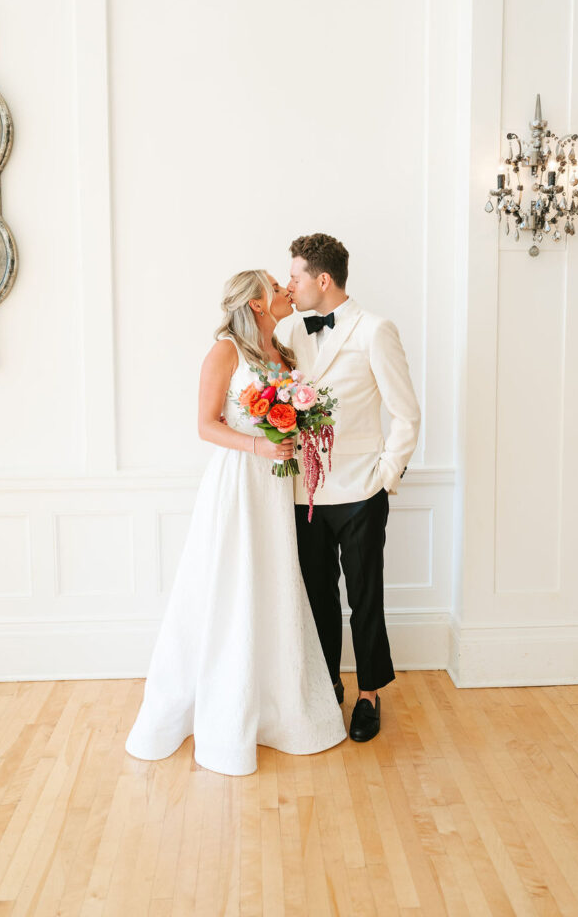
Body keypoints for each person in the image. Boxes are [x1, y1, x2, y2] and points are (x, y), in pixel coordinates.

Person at [125, 269, 346, 775]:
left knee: (271, 581)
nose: (287, 290)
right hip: (237, 482)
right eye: (277, 285)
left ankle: (277, 705)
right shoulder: (224, 352)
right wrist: (258, 444)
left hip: (273, 485)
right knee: (230, 581)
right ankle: (227, 706)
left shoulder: (282, 354)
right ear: (255, 303)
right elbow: (205, 425)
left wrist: (296, 432)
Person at [281, 233, 421, 743]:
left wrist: (384, 477)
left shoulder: (375, 329)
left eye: (295, 275)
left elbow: (406, 413)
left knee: (366, 597)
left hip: (362, 490)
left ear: (323, 279)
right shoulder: (286, 331)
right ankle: (325, 689)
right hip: (304, 493)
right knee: (317, 597)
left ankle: (369, 694)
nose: (289, 284)